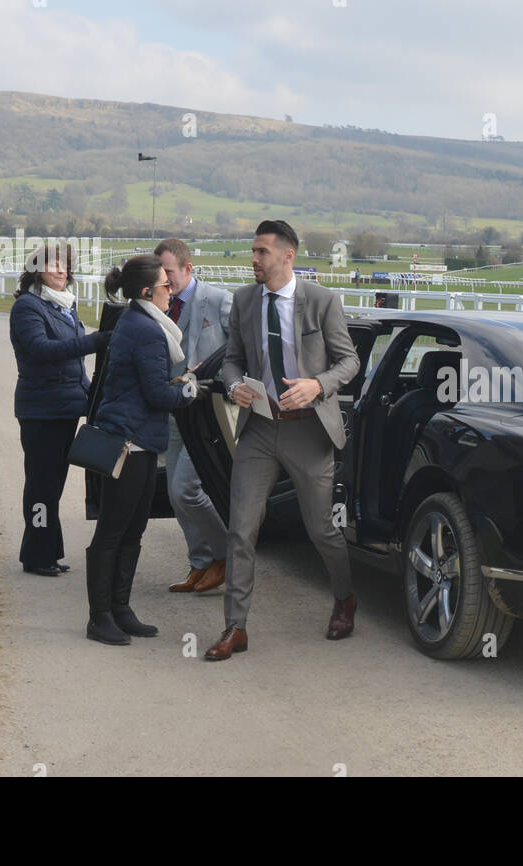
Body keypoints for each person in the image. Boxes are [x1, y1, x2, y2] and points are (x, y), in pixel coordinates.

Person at [204, 220, 361, 661]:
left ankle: (345, 598)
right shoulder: (244, 300)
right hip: (259, 428)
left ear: (287, 256)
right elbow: (233, 359)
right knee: (241, 530)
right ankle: (235, 628)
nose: (253, 260)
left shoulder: (322, 300)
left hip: (309, 430)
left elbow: (349, 362)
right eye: (252, 252)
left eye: (261, 252)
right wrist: (233, 385)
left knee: (320, 529)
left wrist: (318, 384)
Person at [84, 255, 197, 645]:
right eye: (167, 285)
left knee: (132, 529)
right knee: (114, 532)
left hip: (141, 442)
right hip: (128, 444)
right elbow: (157, 394)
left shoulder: (138, 320)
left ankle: (120, 608)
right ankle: (100, 616)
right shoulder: (146, 329)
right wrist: (188, 389)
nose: (172, 291)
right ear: (148, 291)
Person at [10, 243, 109, 577]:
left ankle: (47, 551)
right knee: (41, 486)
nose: (60, 271)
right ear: (36, 269)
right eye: (52, 265)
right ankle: (37, 555)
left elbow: (75, 364)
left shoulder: (65, 305)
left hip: (65, 408)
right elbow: (41, 349)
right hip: (41, 411)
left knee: (53, 485)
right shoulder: (27, 306)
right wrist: (94, 342)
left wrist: (91, 392)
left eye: (64, 265)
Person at [153, 238, 233, 595]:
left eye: (169, 273)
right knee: (173, 493)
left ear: (188, 268)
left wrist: (219, 375)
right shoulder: (158, 304)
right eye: (161, 275)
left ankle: (229, 555)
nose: (165, 281)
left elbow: (244, 350)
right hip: (174, 412)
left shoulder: (218, 300)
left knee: (187, 489)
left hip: (207, 414)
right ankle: (201, 562)